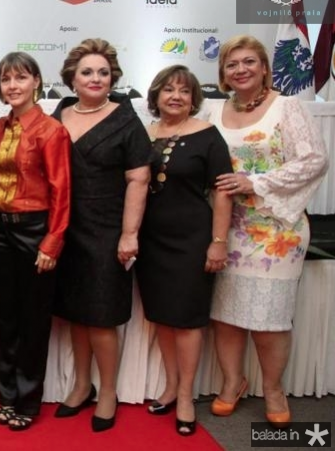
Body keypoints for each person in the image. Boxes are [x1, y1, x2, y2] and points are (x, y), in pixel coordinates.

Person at [207, 35, 328, 428]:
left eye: (249, 62)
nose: (240, 70)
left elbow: (314, 160)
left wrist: (254, 182)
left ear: (264, 68)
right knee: (226, 315)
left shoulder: (287, 106)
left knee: (270, 318)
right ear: (223, 73)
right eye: (231, 64)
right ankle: (231, 382)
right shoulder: (216, 111)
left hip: (279, 231)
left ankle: (274, 389)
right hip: (227, 229)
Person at [52, 38, 151, 432]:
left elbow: (139, 180)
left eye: (103, 73)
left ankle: (108, 391)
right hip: (66, 229)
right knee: (76, 314)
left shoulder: (126, 119)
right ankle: (81, 386)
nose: (96, 78)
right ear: (72, 79)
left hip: (108, 230)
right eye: (87, 72)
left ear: (113, 79)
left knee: (102, 318)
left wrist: (129, 235)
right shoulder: (60, 113)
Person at [135, 65, 233, 436]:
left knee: (188, 319)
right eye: (168, 90)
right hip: (151, 241)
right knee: (161, 316)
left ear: (194, 99)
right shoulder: (143, 135)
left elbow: (223, 191)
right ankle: (171, 386)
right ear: (156, 96)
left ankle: (188, 395)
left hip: (193, 240)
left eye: (184, 91)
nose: (176, 96)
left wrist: (218, 241)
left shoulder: (208, 135)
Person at [0, 52, 70, 431]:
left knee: (34, 321)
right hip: (0, 229)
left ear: (36, 81)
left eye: (21, 78)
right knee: (7, 319)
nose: (13, 86)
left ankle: (27, 400)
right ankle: (6, 395)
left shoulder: (51, 130)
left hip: (35, 230)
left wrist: (51, 242)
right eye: (6, 80)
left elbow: (61, 191)